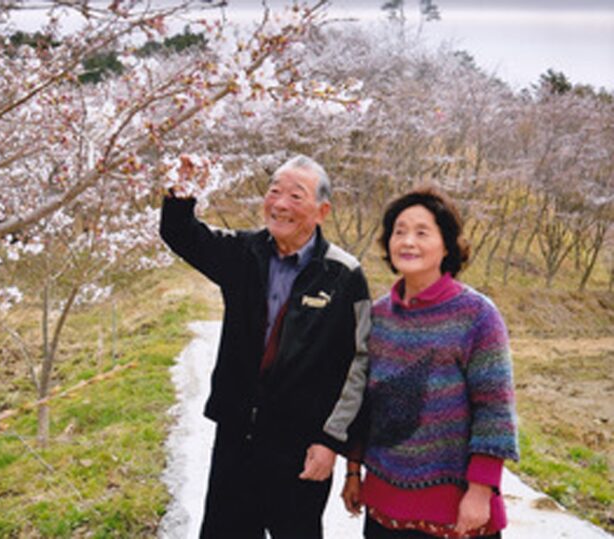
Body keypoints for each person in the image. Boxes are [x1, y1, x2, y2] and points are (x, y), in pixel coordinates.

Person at [160, 154, 371, 539]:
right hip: (237, 436)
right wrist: (181, 190)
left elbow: (358, 363)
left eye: (296, 195)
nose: (280, 204)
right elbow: (182, 234)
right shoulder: (244, 252)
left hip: (301, 448)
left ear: (322, 210)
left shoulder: (343, 274)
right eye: (274, 191)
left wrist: (330, 441)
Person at [322, 186, 519, 539]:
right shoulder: (378, 314)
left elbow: (495, 410)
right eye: (399, 231)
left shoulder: (477, 315)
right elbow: (364, 403)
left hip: (455, 509)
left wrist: (480, 491)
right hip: (383, 505)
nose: (407, 241)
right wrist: (353, 471)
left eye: (422, 232)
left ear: (447, 245)